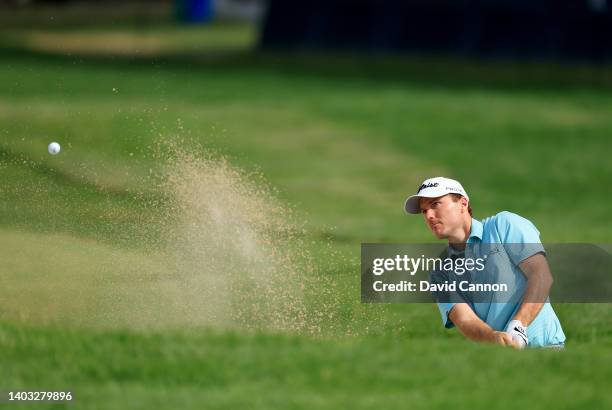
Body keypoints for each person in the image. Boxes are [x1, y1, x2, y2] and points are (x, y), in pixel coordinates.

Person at [404, 177, 566, 349]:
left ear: (463, 203)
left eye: (435, 204)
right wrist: (493, 337)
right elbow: (465, 319)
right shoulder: (440, 272)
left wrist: (519, 325)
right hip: (500, 360)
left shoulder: (504, 225)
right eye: (424, 210)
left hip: (547, 350)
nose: (429, 215)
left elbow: (541, 275)